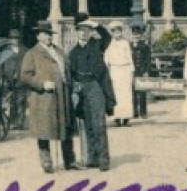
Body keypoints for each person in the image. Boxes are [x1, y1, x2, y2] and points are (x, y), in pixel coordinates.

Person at [18, 20, 76, 173]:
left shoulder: (59, 51)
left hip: (62, 95)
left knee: (65, 127)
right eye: (45, 34)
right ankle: (46, 162)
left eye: (50, 34)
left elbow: (68, 70)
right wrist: (42, 84)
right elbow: (25, 76)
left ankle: (70, 161)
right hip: (44, 97)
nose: (48, 37)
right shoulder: (32, 54)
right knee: (44, 129)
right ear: (38, 36)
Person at [67, 20, 115, 170]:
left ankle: (103, 159)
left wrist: (96, 25)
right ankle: (92, 158)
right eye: (80, 30)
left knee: (98, 124)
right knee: (87, 124)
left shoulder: (96, 45)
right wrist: (75, 89)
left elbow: (107, 37)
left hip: (96, 86)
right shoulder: (73, 52)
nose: (83, 33)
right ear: (76, 32)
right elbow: (71, 74)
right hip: (81, 88)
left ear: (90, 32)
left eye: (86, 30)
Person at [104, 21, 136, 127]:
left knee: (126, 95)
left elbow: (130, 58)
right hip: (114, 70)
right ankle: (117, 117)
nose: (117, 33)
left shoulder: (125, 43)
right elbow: (106, 59)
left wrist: (131, 70)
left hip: (125, 69)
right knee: (116, 94)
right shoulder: (109, 43)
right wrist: (107, 72)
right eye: (114, 31)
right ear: (112, 32)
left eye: (118, 31)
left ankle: (126, 118)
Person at [131, 22, 153, 119]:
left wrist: (146, 71)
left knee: (142, 92)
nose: (136, 36)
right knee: (133, 93)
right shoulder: (128, 46)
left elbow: (148, 60)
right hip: (132, 72)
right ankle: (134, 112)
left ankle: (143, 112)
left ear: (141, 35)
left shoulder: (145, 46)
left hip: (141, 71)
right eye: (134, 34)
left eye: (138, 34)